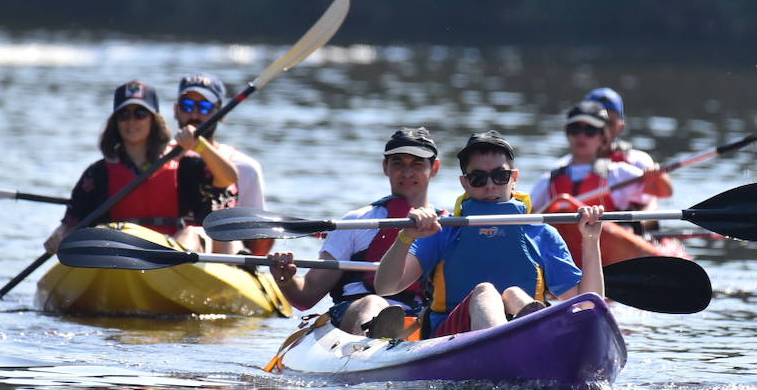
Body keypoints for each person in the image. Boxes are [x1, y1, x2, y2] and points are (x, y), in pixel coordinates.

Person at [374, 130, 605, 337]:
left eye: (500, 176)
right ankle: (508, 346)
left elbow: (588, 306)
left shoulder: (542, 234)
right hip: (451, 336)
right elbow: (386, 287)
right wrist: (406, 237)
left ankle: (529, 338)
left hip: (524, 332)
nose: (490, 186)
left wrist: (591, 240)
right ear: (465, 183)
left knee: (515, 293)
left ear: (513, 179)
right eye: (478, 178)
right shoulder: (442, 231)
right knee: (485, 292)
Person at [269, 127, 445, 338]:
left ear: (434, 168)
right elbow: (306, 296)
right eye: (398, 163)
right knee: (374, 302)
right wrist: (286, 280)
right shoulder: (356, 222)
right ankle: (372, 348)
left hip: (419, 317)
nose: (407, 173)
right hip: (355, 313)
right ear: (385, 167)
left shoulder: (449, 226)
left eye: (417, 164)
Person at [44, 80, 237, 254]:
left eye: (140, 113)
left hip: (176, 254)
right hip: (122, 253)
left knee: (190, 233)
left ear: (154, 120)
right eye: (124, 114)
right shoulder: (97, 174)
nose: (131, 121)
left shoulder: (185, 165)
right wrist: (59, 234)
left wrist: (200, 146)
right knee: (98, 233)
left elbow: (228, 179)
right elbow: (72, 221)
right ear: (115, 122)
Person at [172, 72, 271, 255]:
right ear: (175, 110)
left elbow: (259, 238)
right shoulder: (160, 160)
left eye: (204, 108)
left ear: (220, 113)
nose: (194, 114)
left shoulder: (245, 168)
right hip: (170, 249)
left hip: (222, 259)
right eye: (187, 106)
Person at [530, 100, 672, 213]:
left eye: (590, 130)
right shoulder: (549, 180)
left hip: (604, 245)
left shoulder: (618, 173)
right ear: (567, 134)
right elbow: (528, 217)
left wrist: (658, 175)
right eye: (575, 129)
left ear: (603, 138)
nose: (581, 136)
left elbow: (664, 192)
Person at [585, 86, 657, 169]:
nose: (603, 130)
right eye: (595, 122)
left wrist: (658, 179)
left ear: (620, 127)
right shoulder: (567, 166)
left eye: (609, 123)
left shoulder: (640, 162)